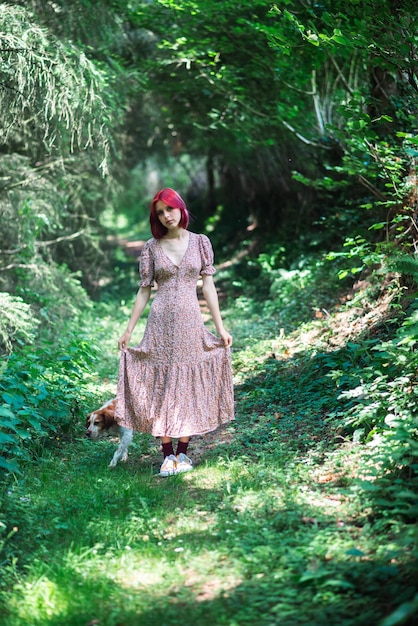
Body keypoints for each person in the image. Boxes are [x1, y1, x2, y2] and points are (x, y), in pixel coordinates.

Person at [115, 188, 234, 476]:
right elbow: (144, 291)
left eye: (170, 208)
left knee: (187, 385)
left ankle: (183, 454)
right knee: (164, 385)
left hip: (191, 322)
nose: (167, 215)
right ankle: (167, 456)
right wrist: (129, 330)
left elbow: (208, 287)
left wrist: (220, 326)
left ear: (181, 209)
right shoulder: (152, 248)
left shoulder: (200, 243)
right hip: (160, 324)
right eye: (160, 212)